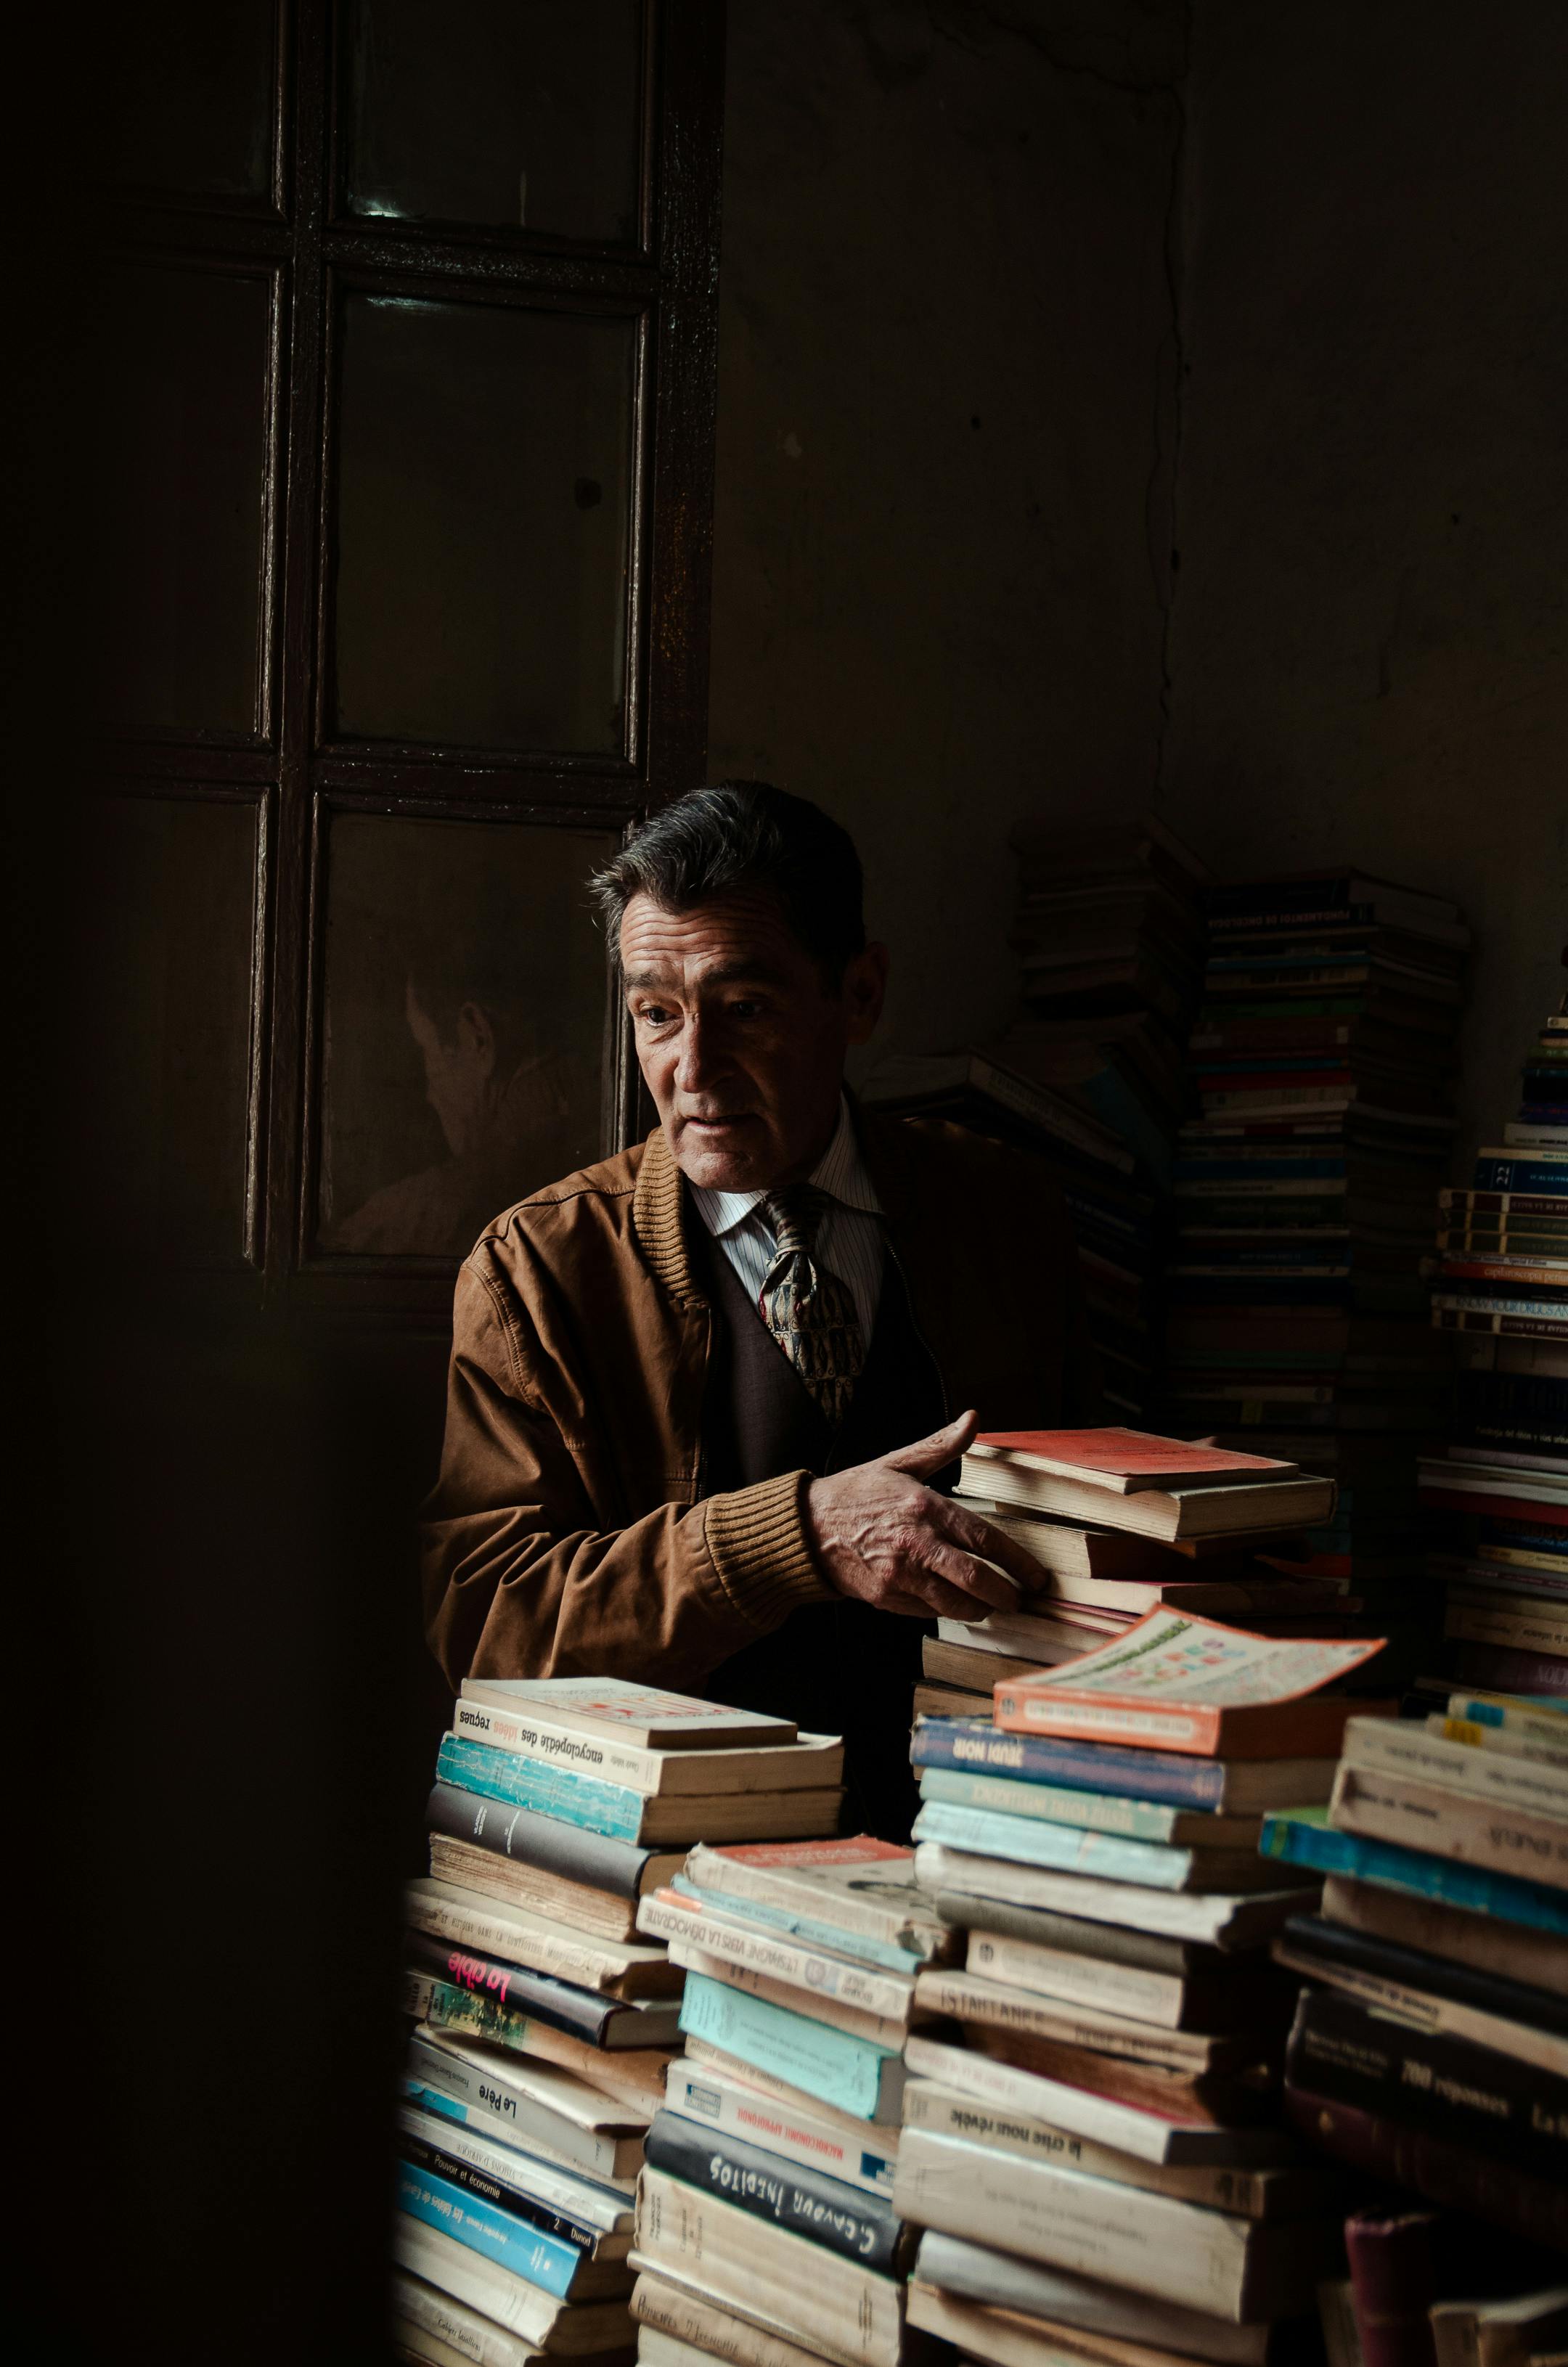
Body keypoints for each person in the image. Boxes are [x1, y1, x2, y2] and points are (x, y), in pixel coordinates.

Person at [421, 781, 1102, 1833]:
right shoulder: (538, 1271)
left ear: (860, 994)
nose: (692, 1068)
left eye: (745, 1009)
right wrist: (800, 1535)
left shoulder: (1007, 1218)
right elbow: (486, 1615)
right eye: (656, 1013)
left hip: (981, 1841)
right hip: (669, 1867)